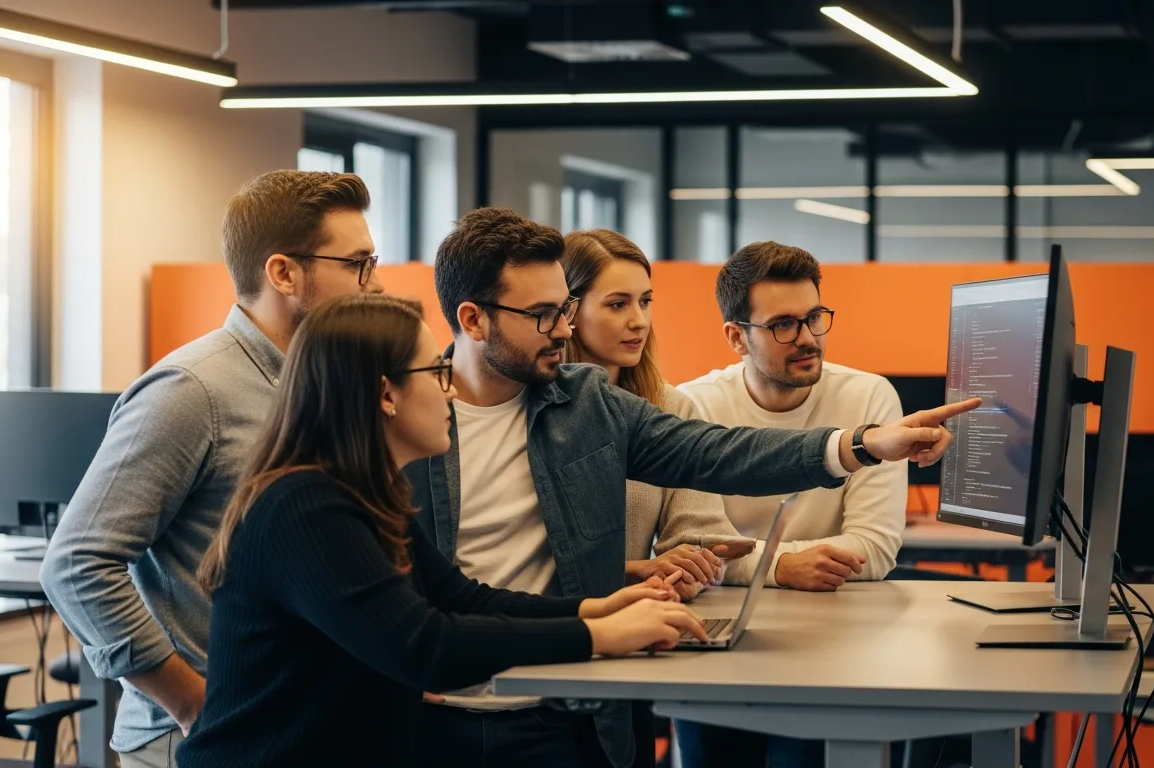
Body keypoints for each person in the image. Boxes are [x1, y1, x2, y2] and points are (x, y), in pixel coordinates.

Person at [405, 207, 979, 768]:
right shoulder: (399, 415)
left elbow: (718, 452)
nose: (563, 329)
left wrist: (863, 444)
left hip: (564, 714)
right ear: (474, 320)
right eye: (542, 315)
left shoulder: (586, 404)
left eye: (565, 310)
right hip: (424, 718)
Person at [176, 294, 704, 768]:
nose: (449, 392)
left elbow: (458, 598)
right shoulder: (305, 507)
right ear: (387, 394)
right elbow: (425, 647)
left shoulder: (366, 494)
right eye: (436, 373)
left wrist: (595, 607)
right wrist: (597, 637)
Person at [40, 170, 385, 767]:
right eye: (357, 264)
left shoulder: (320, 385)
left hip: (301, 723)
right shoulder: (191, 390)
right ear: (283, 272)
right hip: (201, 737)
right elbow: (75, 565)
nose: (373, 284)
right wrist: (192, 700)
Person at [674, 240, 910, 768]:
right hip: (720, 642)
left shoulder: (870, 399)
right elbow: (693, 547)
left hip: (833, 644)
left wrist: (754, 561)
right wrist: (782, 565)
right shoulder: (693, 406)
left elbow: (874, 547)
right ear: (736, 337)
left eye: (814, 318)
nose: (807, 339)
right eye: (783, 324)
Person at [560, 228, 755, 600]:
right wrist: (637, 570)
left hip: (637, 618)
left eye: (645, 301)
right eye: (618, 304)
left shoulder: (668, 406)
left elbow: (699, 533)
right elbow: (530, 566)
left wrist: (689, 570)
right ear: (568, 311)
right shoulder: (535, 409)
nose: (639, 321)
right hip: (550, 626)